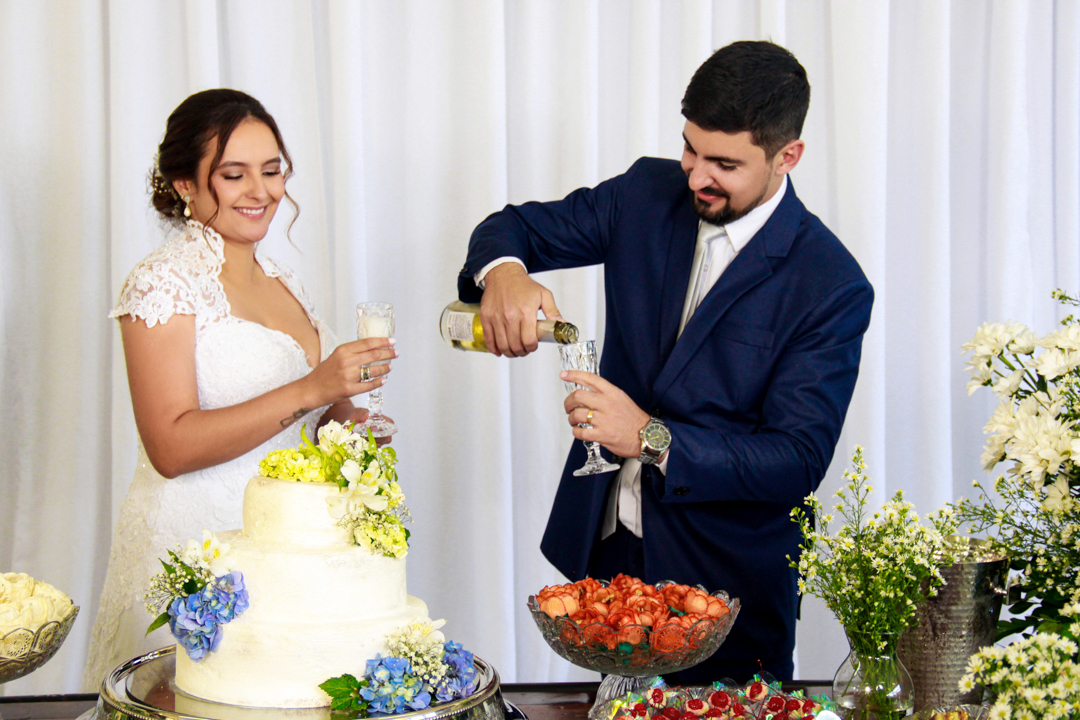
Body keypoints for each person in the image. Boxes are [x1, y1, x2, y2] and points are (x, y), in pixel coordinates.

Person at [457, 41, 873, 682]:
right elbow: (512, 228)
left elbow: (796, 462)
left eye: (724, 164)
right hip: (613, 558)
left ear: (787, 156)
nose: (695, 175)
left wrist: (647, 437)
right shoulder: (646, 194)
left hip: (727, 589)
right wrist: (505, 271)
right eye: (690, 148)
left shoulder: (831, 283)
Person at [82, 89, 395, 689]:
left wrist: (350, 427)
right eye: (234, 174)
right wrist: (311, 387)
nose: (262, 191)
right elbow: (170, 449)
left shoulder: (285, 282)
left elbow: (310, 422)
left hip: (282, 557)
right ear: (184, 184)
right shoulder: (160, 284)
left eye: (272, 170)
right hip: (196, 556)